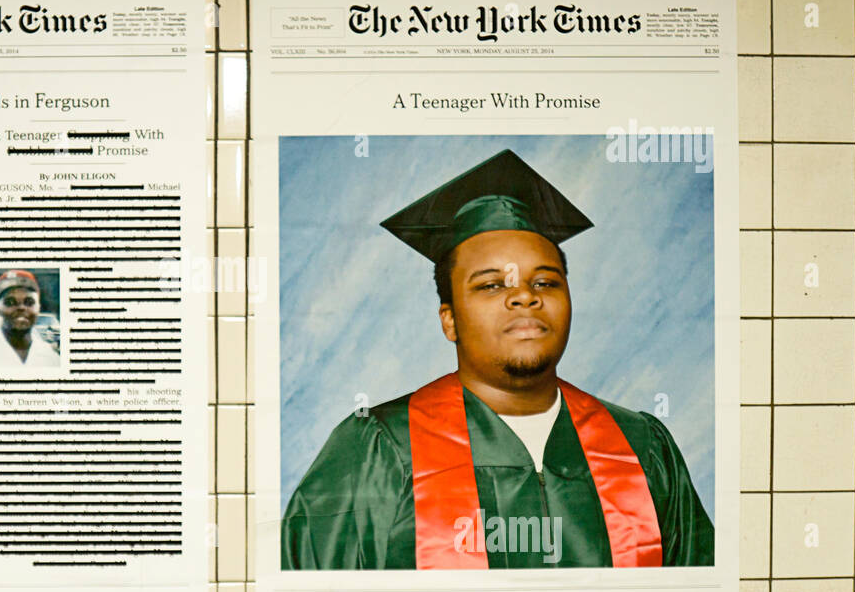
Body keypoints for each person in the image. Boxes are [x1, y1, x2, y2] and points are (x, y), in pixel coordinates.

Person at [281, 149, 714, 570]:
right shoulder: (380, 449)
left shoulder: (642, 447)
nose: (524, 295)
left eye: (544, 281)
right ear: (449, 320)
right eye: (490, 285)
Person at [0, 269, 61, 367]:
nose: (21, 308)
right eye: (10, 302)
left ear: (38, 308)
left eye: (29, 302)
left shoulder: (51, 358)